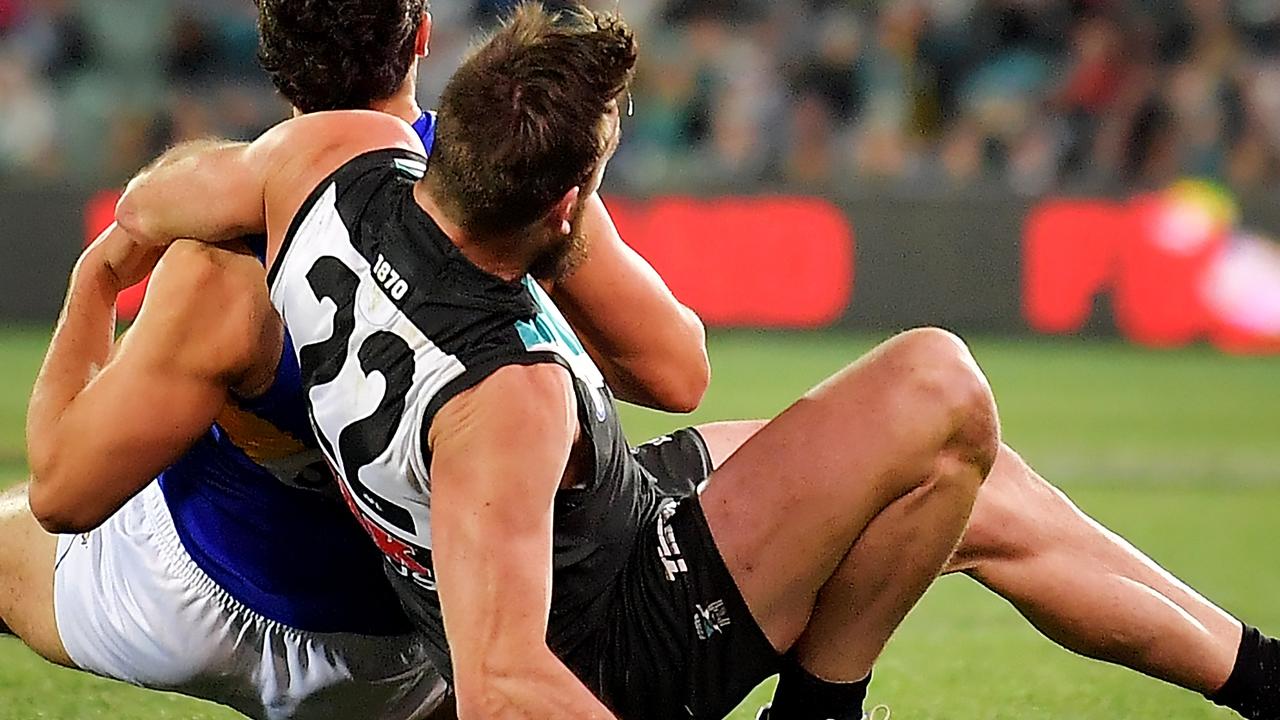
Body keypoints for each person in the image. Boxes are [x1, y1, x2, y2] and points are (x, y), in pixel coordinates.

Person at [111, 4, 1280, 718]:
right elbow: (509, 679)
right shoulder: (503, 385)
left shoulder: (304, 180)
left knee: (974, 482)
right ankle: (824, 715)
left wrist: (115, 250)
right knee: (934, 395)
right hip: (617, 627)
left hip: (590, 520)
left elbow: (169, 190)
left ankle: (1264, 678)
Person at [3, 1, 707, 718]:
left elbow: (64, 494)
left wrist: (93, 282)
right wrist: (554, 241)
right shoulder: (502, 190)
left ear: (268, 52)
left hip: (185, 604)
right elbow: (680, 374)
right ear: (423, 36)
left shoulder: (220, 262)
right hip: (407, 654)